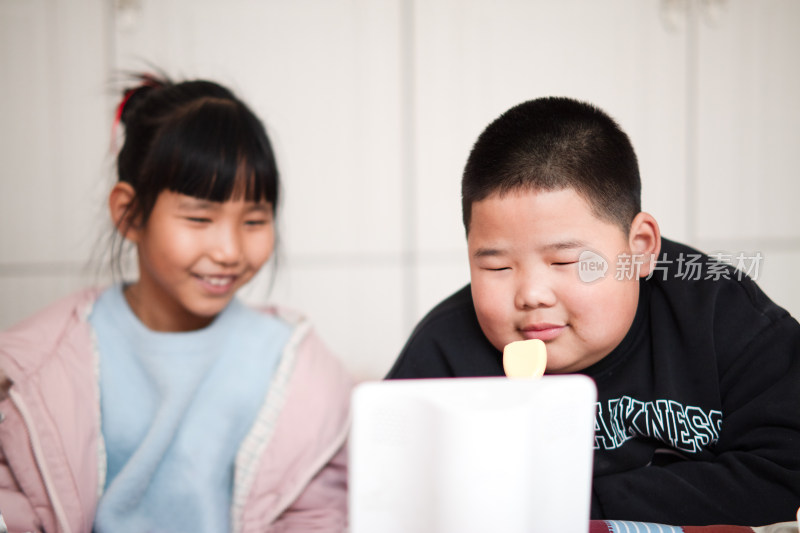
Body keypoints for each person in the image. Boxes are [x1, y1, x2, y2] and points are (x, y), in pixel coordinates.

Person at [387, 97, 800, 526]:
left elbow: (787, 471)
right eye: (497, 266)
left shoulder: (720, 312)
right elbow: (392, 490)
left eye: (564, 262)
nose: (531, 294)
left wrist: (575, 506)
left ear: (638, 249)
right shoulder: (445, 352)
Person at [0, 74, 352, 533]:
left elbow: (322, 516)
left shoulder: (296, 365)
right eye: (199, 218)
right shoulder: (37, 364)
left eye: (253, 220)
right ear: (130, 213)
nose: (228, 250)